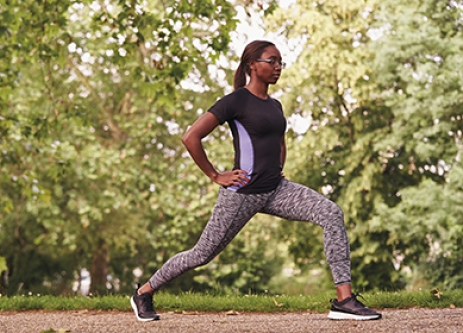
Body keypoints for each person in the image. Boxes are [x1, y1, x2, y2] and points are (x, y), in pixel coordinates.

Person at [130, 40, 382, 322]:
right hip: (242, 194)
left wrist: (278, 168)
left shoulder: (275, 105)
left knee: (331, 213)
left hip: (276, 190)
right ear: (252, 65)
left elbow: (279, 142)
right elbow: (191, 137)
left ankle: (344, 300)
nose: (277, 67)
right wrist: (215, 175)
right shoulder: (236, 101)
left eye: (280, 62)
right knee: (202, 254)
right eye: (271, 61)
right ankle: (144, 292)